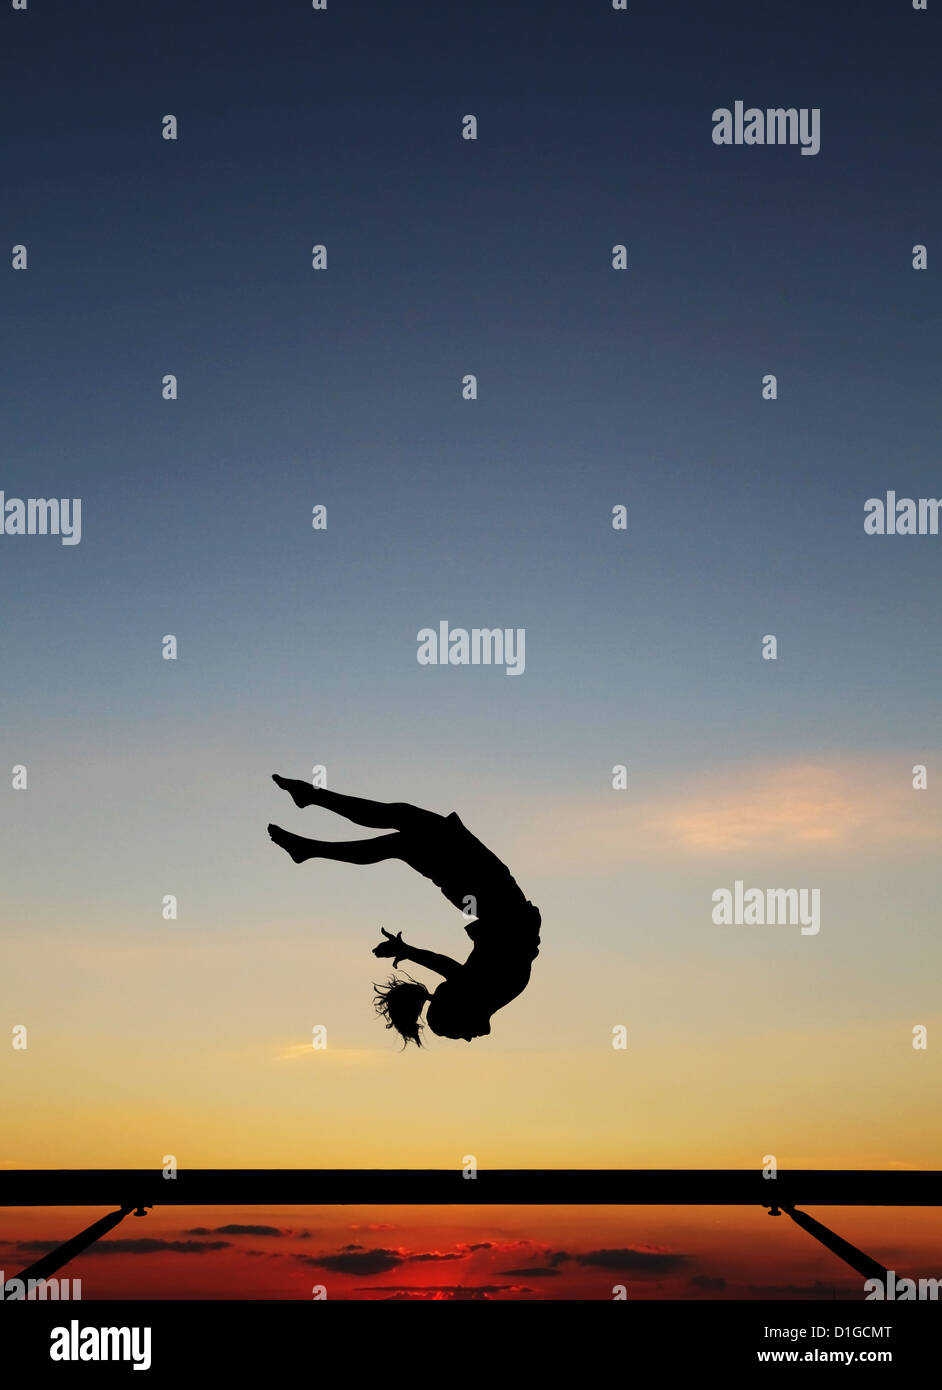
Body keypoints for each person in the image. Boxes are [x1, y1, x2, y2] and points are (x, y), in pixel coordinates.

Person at [268, 776, 541, 1046]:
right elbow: (450, 968)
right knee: (400, 825)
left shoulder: (488, 992)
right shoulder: (487, 993)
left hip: (484, 891)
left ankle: (309, 835)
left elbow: (450, 969)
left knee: (400, 834)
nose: (467, 1039)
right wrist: (409, 951)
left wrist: (410, 950)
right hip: (485, 891)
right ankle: (310, 821)